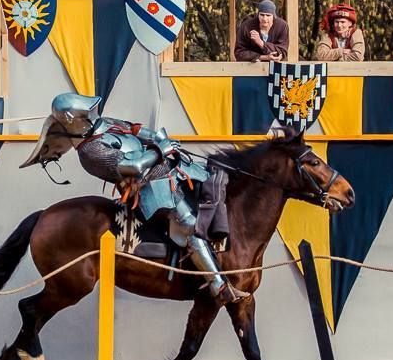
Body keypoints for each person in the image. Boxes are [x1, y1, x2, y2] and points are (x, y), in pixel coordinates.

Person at [22, 93, 248, 306]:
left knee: (215, 183)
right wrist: (160, 150)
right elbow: (133, 166)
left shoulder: (101, 124)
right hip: (150, 189)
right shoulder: (90, 152)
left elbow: (133, 129)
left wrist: (159, 138)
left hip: (175, 170)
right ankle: (218, 285)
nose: (92, 114)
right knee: (190, 225)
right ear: (74, 121)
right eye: (86, 114)